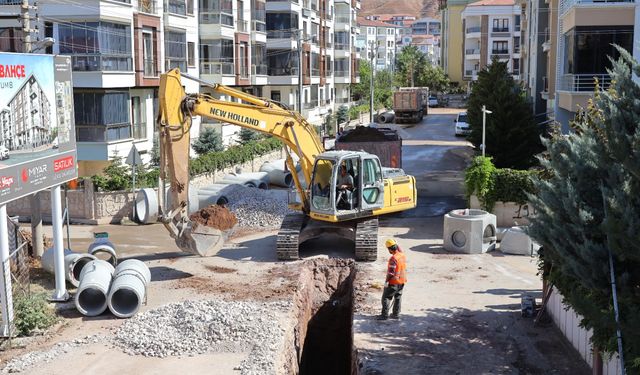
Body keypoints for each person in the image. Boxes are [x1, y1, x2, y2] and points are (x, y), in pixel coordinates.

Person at [378, 238, 407, 320]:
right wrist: (395, 243)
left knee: (386, 297)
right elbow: (399, 249)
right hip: (402, 281)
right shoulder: (402, 255)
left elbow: (391, 273)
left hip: (393, 282)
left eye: (388, 249)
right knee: (398, 297)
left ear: (390, 249)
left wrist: (386, 282)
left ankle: (384, 315)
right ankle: (396, 314)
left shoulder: (393, 259)